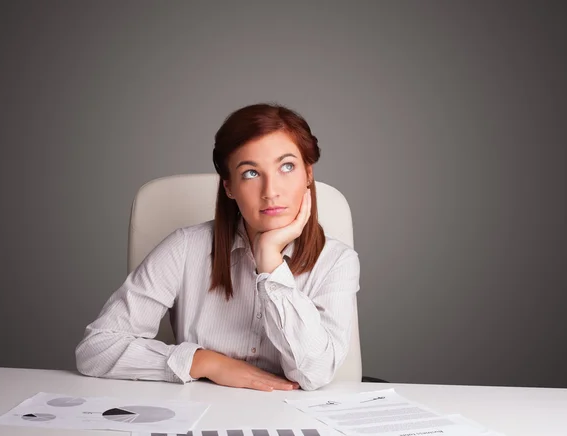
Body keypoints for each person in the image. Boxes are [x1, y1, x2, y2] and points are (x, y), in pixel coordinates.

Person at [75, 103, 360, 391]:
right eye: (251, 173)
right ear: (229, 187)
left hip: (295, 420)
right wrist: (208, 362)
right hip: (200, 415)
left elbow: (315, 374)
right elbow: (96, 350)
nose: (271, 191)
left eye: (287, 167)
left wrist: (271, 264)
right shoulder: (185, 248)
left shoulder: (336, 261)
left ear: (308, 174)